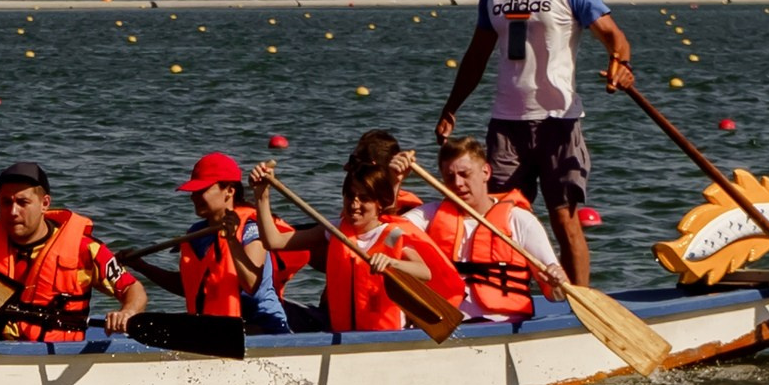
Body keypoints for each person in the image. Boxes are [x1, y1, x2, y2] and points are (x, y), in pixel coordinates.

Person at [435, 0, 635, 285]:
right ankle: (505, 302)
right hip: (506, 124)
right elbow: (476, 56)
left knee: (564, 219)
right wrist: (451, 106)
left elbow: (615, 38)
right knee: (499, 218)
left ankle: (582, 305)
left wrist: (621, 66)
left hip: (558, 123)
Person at [248, 157, 461, 334]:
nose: (354, 204)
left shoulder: (392, 235)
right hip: (342, 334)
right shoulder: (334, 230)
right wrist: (262, 196)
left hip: (385, 335)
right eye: (350, 196)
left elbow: (424, 272)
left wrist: (392, 262)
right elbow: (273, 241)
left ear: (379, 203)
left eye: (364, 198)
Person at [0, 161, 148, 341]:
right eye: (6, 202)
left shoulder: (85, 249)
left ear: (45, 204)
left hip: (57, 353)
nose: (13, 211)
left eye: (23, 202)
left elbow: (133, 289)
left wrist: (127, 313)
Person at [422, 136, 563, 322]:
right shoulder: (428, 215)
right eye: (449, 177)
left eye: (465, 174)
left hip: (503, 324)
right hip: (446, 325)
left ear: (486, 172)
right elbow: (387, 229)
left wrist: (557, 283)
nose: (457, 183)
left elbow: (557, 295)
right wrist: (395, 180)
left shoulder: (520, 220)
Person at [164, 152, 298, 335]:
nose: (194, 197)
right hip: (218, 329)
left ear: (229, 190)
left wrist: (232, 239)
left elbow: (251, 283)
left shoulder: (252, 227)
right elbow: (188, 287)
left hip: (263, 326)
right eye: (193, 191)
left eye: (202, 190)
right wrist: (141, 267)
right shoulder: (196, 233)